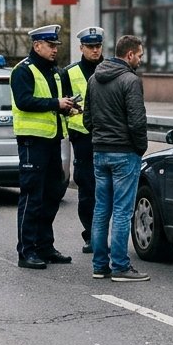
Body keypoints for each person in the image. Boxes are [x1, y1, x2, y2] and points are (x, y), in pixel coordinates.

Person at [10, 24, 80, 269]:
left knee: (53, 194)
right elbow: (24, 100)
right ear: (36, 45)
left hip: (53, 140)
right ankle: (26, 251)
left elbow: (60, 102)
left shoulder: (56, 72)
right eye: (50, 46)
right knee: (32, 196)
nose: (54, 50)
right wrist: (56, 103)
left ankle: (45, 246)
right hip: (32, 141)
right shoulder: (23, 71)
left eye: (56, 46)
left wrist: (70, 106)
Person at [84, 34, 149, 282]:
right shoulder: (130, 81)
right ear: (129, 54)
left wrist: (100, 138)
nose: (141, 60)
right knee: (123, 211)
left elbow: (87, 119)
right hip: (124, 153)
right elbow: (137, 121)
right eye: (140, 55)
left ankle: (100, 265)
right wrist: (140, 148)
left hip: (100, 152)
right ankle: (120, 266)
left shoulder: (94, 78)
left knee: (101, 210)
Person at [63, 27, 105, 254]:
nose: (95, 50)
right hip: (83, 140)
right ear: (81, 48)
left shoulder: (114, 70)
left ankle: (106, 235)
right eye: (90, 47)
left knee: (108, 189)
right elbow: (63, 105)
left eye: (98, 46)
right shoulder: (69, 73)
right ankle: (90, 235)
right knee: (88, 189)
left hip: (109, 137)